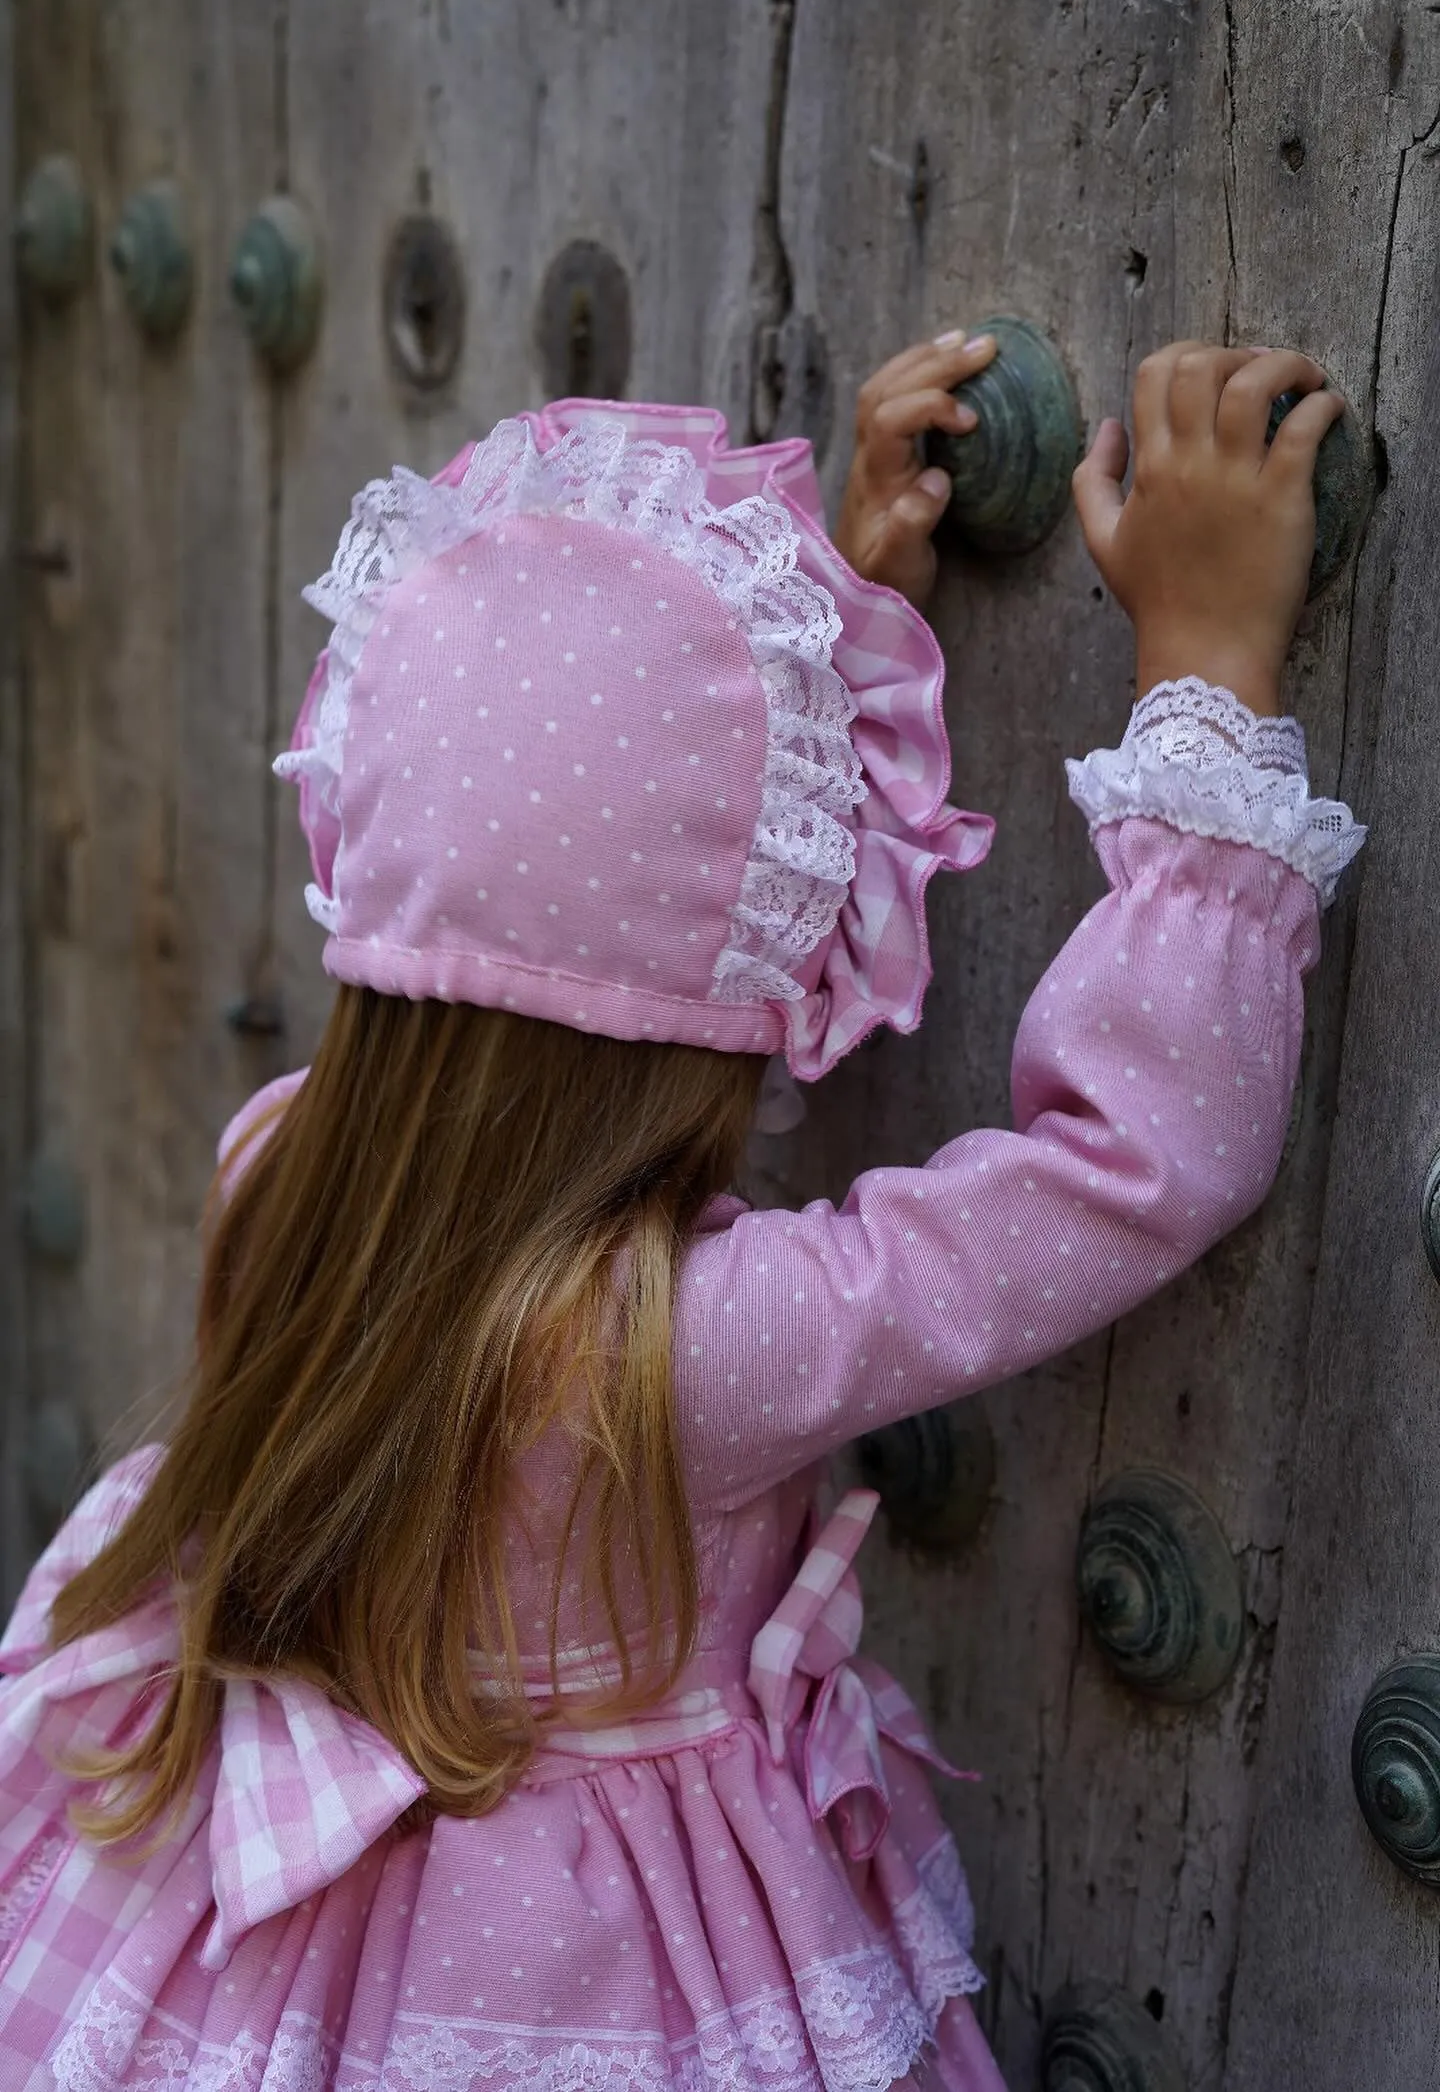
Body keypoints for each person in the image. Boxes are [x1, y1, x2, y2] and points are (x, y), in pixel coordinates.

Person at [0, 336, 1362, 2092]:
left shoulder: (288, 1166)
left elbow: (628, 983)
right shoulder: (699, 1347)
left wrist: (833, 629)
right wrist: (1210, 682)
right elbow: (1138, 1163)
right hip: (601, 1967)